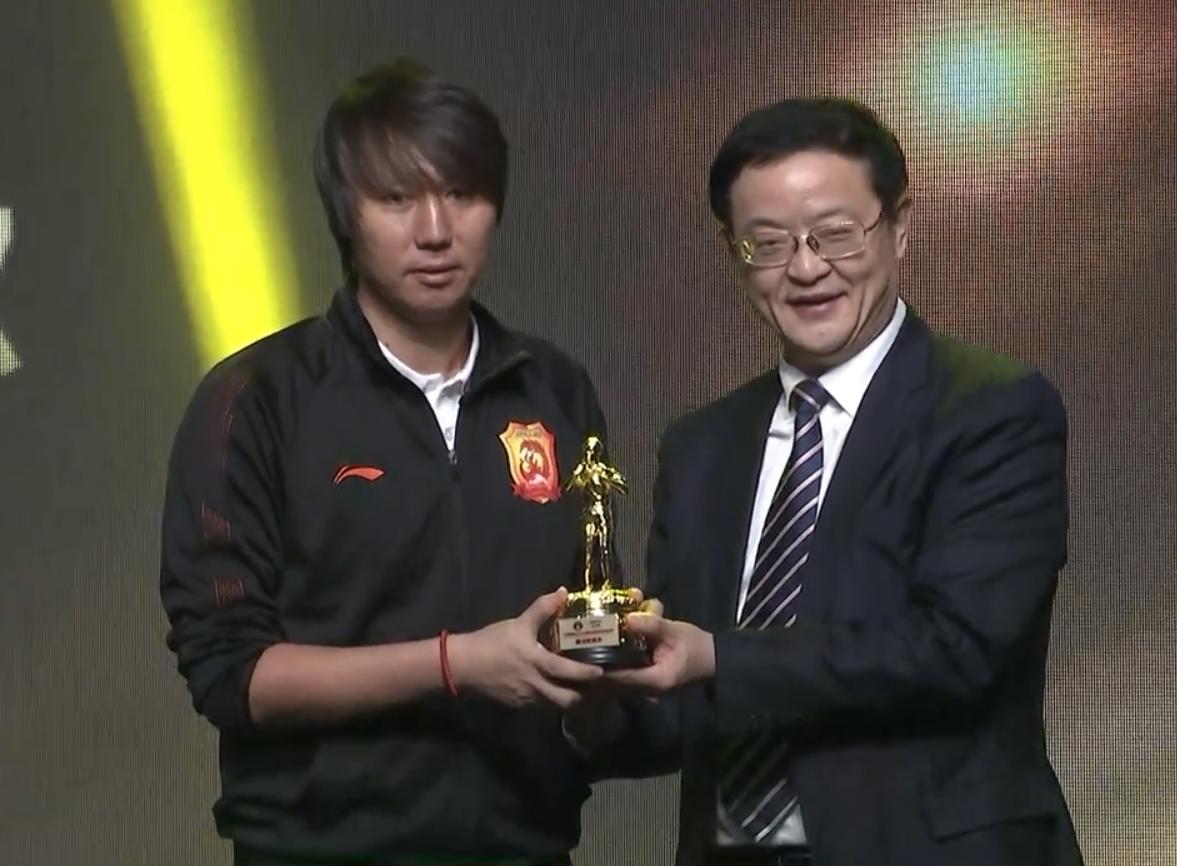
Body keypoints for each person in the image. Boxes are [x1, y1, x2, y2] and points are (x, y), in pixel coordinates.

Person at [601, 98, 1084, 866]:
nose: (804, 268)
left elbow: (957, 650)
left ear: (898, 227)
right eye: (767, 243)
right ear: (733, 252)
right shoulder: (700, 447)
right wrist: (589, 691)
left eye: (834, 234)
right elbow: (681, 700)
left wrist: (715, 657)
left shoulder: (992, 409)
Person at [159, 60, 610, 866]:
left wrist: (618, 672)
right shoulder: (256, 398)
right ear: (346, 212)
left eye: (462, 195)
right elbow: (231, 673)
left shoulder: (554, 390)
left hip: (525, 847)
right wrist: (456, 664)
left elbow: (586, 620)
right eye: (397, 199)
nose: (435, 230)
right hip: (318, 849)